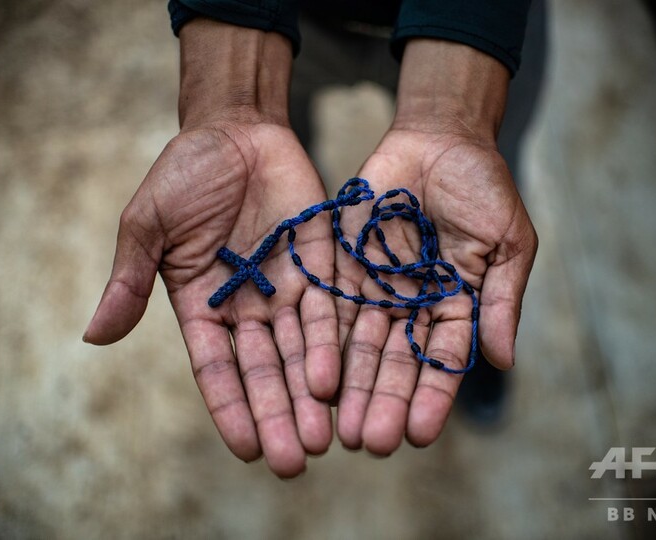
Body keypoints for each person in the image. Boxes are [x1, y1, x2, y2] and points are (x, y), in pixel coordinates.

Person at [83, 0, 539, 479]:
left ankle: (472, 336)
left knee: (478, 193)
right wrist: (230, 96)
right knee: (277, 147)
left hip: (487, 31)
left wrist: (459, 106)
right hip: (292, 14)